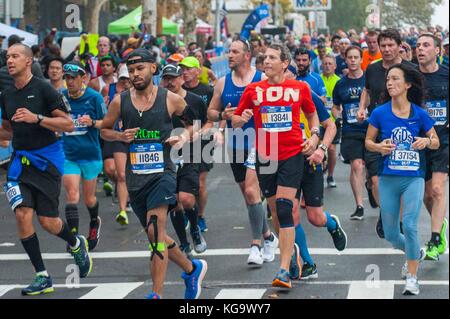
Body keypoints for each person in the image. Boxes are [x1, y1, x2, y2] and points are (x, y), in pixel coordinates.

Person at [100, 48, 207, 299]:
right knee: (154, 234)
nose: (135, 74)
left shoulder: (170, 99)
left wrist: (181, 135)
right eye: (131, 70)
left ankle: (156, 294)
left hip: (164, 173)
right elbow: (104, 130)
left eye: (140, 69)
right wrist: (119, 135)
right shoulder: (120, 101)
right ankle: (192, 269)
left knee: (156, 230)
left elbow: (193, 125)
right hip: (136, 176)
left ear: (153, 69)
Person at [0, 44, 92, 296]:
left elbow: (67, 125)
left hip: (48, 161)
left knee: (49, 222)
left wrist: (37, 118)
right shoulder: (6, 95)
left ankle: (75, 242)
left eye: (15, 56)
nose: (10, 60)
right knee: (22, 213)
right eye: (7, 57)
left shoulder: (44, 89)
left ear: (28, 61)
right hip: (20, 163)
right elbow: (8, 130)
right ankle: (42, 275)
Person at [232, 44, 320, 289]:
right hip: (265, 153)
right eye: (264, 58)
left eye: (272, 57)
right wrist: (241, 118)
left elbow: (312, 115)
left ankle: (283, 270)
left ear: (284, 63)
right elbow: (236, 121)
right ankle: (293, 255)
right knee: (275, 214)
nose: (266, 61)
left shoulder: (300, 88)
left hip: (292, 153)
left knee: (284, 208)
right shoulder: (253, 90)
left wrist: (313, 137)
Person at [365, 63, 439, 296]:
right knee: (390, 233)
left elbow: (436, 141)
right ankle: (414, 252)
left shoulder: (420, 114)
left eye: (395, 79)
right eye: (388, 79)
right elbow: (368, 142)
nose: (390, 83)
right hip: (388, 178)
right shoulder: (380, 113)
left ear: (407, 84)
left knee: (409, 223)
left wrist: (426, 142)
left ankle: (412, 277)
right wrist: (379, 147)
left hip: (413, 178)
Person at [207, 39, 278, 266]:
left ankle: (256, 245)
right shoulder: (222, 83)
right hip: (236, 143)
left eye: (234, 52)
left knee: (250, 191)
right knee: (250, 197)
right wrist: (223, 117)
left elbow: (277, 107)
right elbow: (211, 112)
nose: (229, 55)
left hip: (262, 141)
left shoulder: (263, 79)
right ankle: (268, 236)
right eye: (228, 51)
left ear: (247, 55)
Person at [358, 28, 417, 232]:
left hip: (403, 131)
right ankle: (386, 212)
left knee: (398, 180)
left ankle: (396, 222)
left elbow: (418, 98)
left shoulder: (410, 69)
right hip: (377, 130)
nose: (387, 49)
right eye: (383, 45)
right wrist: (361, 108)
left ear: (400, 46)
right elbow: (366, 91)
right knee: (375, 179)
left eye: (391, 45)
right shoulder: (373, 69)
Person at [293, 89, 347, 280]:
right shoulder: (266, 92)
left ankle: (331, 223)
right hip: (284, 162)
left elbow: (330, 125)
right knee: (290, 216)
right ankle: (307, 263)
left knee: (315, 218)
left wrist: (322, 149)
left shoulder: (305, 92)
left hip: (310, 160)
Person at [160, 63, 207, 256]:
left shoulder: (195, 101)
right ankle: (183, 243)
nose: (170, 82)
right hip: (165, 156)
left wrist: (190, 135)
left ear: (181, 79)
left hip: (189, 153)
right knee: (173, 202)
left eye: (173, 78)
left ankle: (195, 229)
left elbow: (203, 124)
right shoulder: (158, 100)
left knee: (186, 199)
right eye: (167, 78)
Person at [61, 61, 106, 251]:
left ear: (83, 78)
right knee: (72, 195)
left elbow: (107, 123)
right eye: (67, 78)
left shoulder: (94, 98)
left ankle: (94, 222)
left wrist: (93, 122)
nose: (69, 82)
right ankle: (74, 240)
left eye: (73, 78)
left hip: (90, 155)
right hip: (68, 154)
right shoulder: (61, 97)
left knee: (89, 199)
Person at [416, 34, 449, 261]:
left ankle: (435, 239)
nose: (420, 49)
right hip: (419, 141)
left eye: (426, 45)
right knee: (427, 196)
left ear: (437, 51)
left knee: (437, 189)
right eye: (418, 45)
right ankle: (442, 222)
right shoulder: (411, 77)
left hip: (444, 139)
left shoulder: (447, 74)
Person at [179, 56, 215, 233]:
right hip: (180, 140)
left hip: (203, 141)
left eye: (188, 69)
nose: (185, 72)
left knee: (199, 183)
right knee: (182, 182)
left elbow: (211, 119)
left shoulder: (207, 91)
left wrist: (201, 132)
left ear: (198, 71)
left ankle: (200, 216)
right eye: (182, 69)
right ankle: (187, 211)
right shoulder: (177, 90)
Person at [332, 46, 369, 220]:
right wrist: (338, 117)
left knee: (370, 170)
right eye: (350, 58)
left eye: (356, 57)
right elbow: (335, 106)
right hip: (351, 130)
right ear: (345, 60)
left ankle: (370, 186)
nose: (353, 60)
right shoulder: (341, 84)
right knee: (356, 165)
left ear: (362, 59)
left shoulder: (369, 80)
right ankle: (359, 205)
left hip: (371, 129)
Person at [100, 64, 133, 225]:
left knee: (132, 175)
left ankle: (129, 194)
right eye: (123, 78)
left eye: (128, 78)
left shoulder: (139, 93)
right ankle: (122, 210)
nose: (126, 81)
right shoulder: (110, 91)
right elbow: (102, 113)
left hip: (136, 138)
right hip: (117, 136)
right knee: (119, 174)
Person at [320, 53, 341, 188]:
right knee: (319, 147)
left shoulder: (339, 81)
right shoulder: (318, 79)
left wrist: (340, 115)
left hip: (333, 120)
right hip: (319, 119)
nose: (327, 66)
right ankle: (319, 171)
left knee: (332, 149)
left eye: (330, 64)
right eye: (325, 63)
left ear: (335, 66)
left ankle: (330, 175)